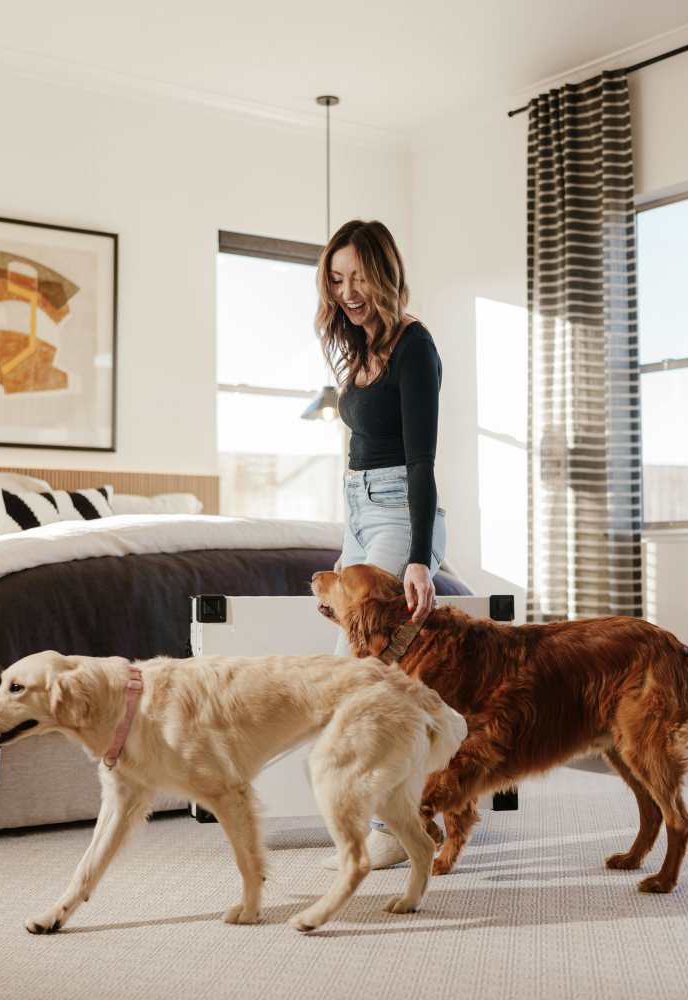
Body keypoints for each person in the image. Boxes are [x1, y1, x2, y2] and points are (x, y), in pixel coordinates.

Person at [316, 219, 445, 870]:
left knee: (356, 674)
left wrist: (420, 555)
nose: (347, 291)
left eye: (359, 276)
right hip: (360, 515)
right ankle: (399, 817)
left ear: (384, 272)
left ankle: (395, 825)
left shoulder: (413, 347)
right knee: (365, 675)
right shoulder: (358, 350)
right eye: (337, 279)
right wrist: (344, 557)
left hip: (399, 512)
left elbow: (420, 462)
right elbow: (357, 456)